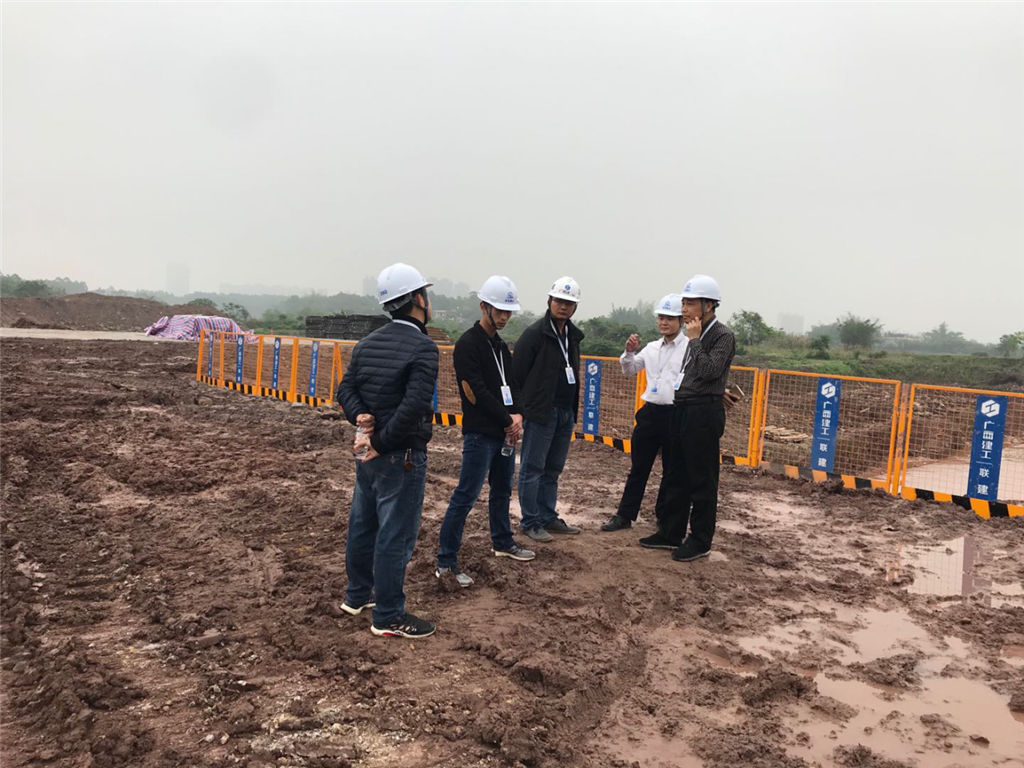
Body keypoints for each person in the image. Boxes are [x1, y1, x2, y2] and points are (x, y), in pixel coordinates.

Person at [336, 262, 439, 638]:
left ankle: (357, 595)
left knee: (363, 525)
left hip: (368, 453)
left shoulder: (367, 343)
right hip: (400, 455)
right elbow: (413, 407)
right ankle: (388, 615)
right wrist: (381, 444)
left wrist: (359, 415)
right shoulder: (424, 347)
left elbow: (345, 389)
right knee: (395, 534)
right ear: (418, 299)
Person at [435, 276, 536, 588]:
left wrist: (518, 414)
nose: (504, 317)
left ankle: (502, 542)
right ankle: (446, 561)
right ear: (484, 306)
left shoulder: (500, 346)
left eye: (508, 311)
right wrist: (507, 420)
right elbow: (475, 392)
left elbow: (513, 385)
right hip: (481, 434)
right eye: (499, 310)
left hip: (505, 433)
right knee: (466, 495)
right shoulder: (468, 345)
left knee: (502, 490)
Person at [640, 274, 736, 562]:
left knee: (702, 479)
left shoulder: (722, 336)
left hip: (703, 412)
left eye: (691, 303)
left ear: (709, 305)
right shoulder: (694, 334)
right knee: (676, 474)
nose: (684, 308)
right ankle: (671, 532)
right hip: (681, 408)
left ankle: (700, 540)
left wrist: (694, 341)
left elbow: (709, 371)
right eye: (683, 302)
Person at [601, 294, 688, 532]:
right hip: (650, 414)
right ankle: (625, 515)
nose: (664, 322)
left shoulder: (690, 349)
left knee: (671, 471)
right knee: (639, 468)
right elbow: (629, 370)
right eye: (661, 317)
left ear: (681, 321)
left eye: (670, 318)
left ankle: (664, 517)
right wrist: (629, 352)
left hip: (676, 414)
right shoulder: (651, 348)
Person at [511, 276, 585, 542]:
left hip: (564, 412)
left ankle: (547, 516)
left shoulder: (572, 336)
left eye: (569, 303)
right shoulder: (534, 335)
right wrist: (520, 409)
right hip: (541, 412)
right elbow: (517, 375)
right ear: (549, 301)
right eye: (559, 301)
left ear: (575, 307)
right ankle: (530, 521)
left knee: (553, 469)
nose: (563, 306)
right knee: (533, 468)